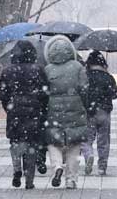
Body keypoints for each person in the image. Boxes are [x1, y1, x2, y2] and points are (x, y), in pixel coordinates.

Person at [0, 40, 49, 190]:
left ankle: (17, 169)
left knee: (16, 141)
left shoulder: (7, 71)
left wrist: (9, 106)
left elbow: (2, 93)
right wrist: (41, 106)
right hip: (34, 110)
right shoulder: (38, 69)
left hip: (15, 111)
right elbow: (45, 92)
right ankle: (29, 181)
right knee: (32, 144)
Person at [43, 35, 89, 189]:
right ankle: (71, 179)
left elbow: (44, 92)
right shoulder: (77, 67)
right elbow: (84, 89)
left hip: (53, 110)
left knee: (53, 142)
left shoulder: (48, 69)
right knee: (74, 145)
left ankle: (57, 167)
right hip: (75, 108)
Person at [82, 51, 117, 176]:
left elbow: (81, 92)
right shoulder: (107, 77)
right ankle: (102, 167)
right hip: (104, 112)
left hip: (89, 112)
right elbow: (116, 94)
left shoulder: (85, 76)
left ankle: (89, 156)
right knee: (104, 140)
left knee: (87, 140)